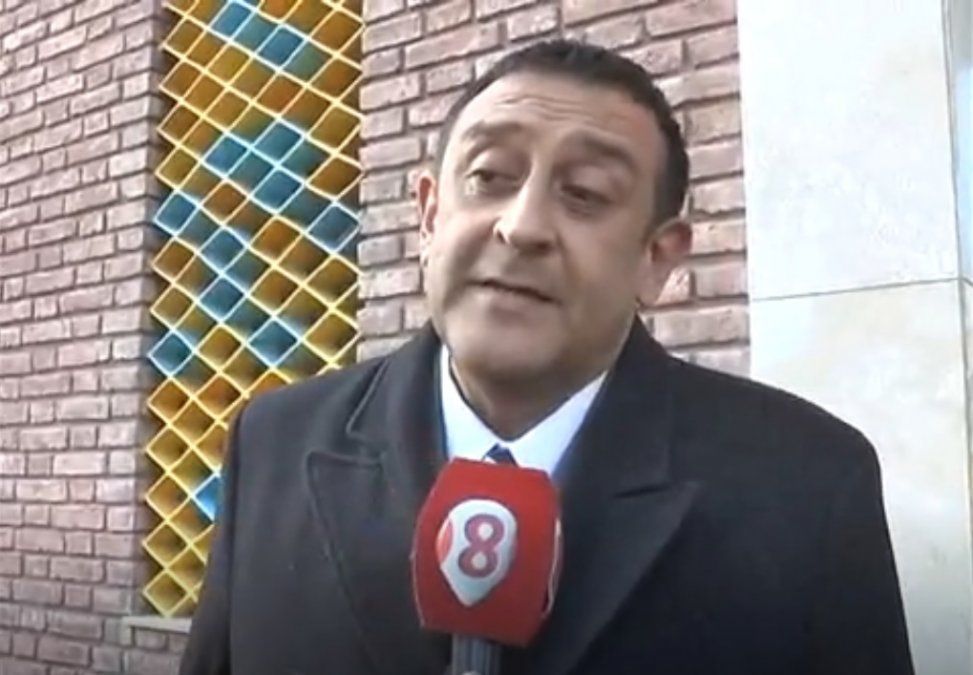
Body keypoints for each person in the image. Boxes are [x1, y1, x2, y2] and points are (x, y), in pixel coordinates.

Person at [180, 40, 914, 675]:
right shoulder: (273, 443)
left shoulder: (808, 484)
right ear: (429, 217)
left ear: (657, 258)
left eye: (586, 193)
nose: (523, 226)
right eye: (489, 177)